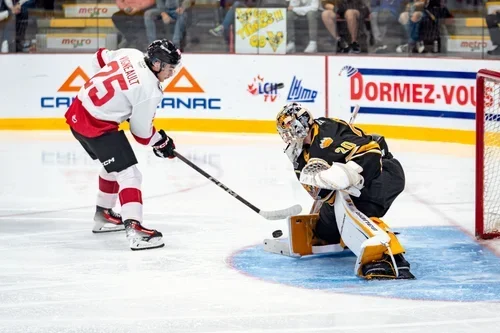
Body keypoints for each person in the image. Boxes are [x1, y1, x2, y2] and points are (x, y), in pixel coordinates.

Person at [64, 39, 181, 251]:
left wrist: (116, 99)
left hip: (77, 113)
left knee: (114, 166)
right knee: (130, 174)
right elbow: (142, 134)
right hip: (96, 127)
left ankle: (104, 215)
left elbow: (98, 57)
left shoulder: (131, 54)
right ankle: (135, 230)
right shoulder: (150, 90)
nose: (172, 73)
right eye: (170, 68)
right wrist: (162, 142)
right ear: (156, 64)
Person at [275, 102, 414, 279]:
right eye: (284, 131)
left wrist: (349, 173)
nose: (288, 134)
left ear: (302, 123)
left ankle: (389, 257)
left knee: (358, 212)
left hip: (380, 174)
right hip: (345, 191)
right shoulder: (298, 155)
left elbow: (372, 152)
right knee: (325, 231)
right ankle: (345, 235)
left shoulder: (329, 132)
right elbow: (321, 194)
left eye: (290, 127)